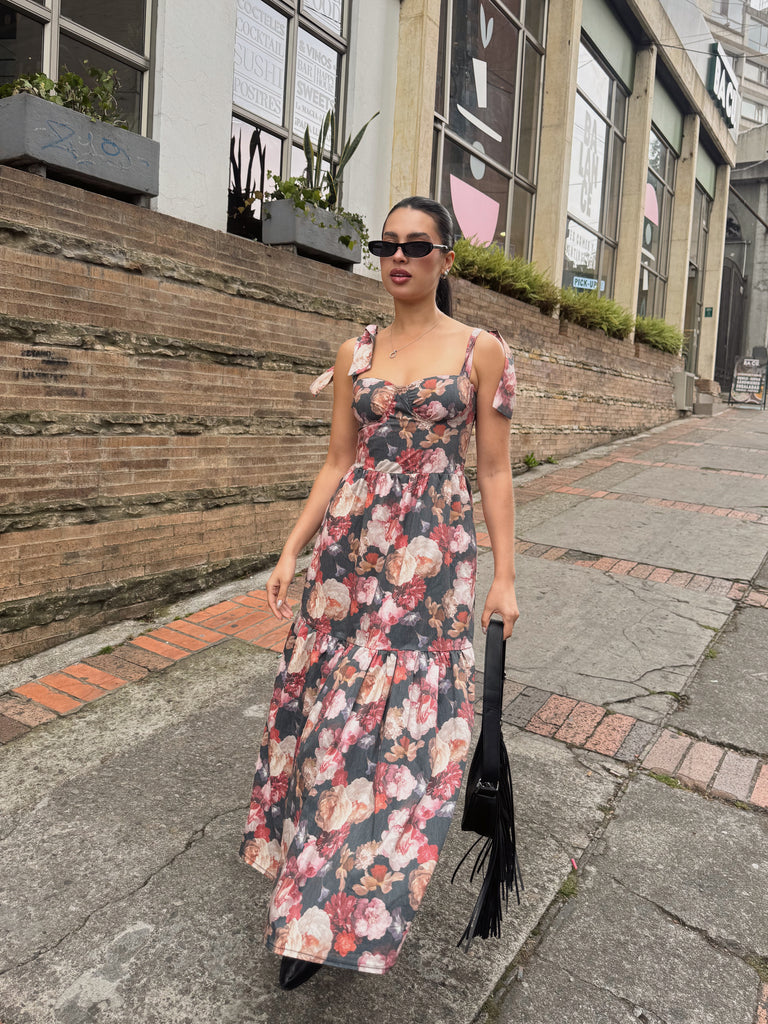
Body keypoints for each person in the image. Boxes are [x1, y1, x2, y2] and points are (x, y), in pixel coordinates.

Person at [239, 196, 519, 989]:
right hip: (349, 557)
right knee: (329, 720)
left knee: (400, 736)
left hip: (430, 564)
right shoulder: (354, 351)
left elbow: (494, 469)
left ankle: (352, 899)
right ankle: (310, 902)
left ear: (446, 258)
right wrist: (293, 547)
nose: (398, 256)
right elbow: (338, 460)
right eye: (386, 244)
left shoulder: (482, 351)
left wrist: (505, 576)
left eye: (416, 245)